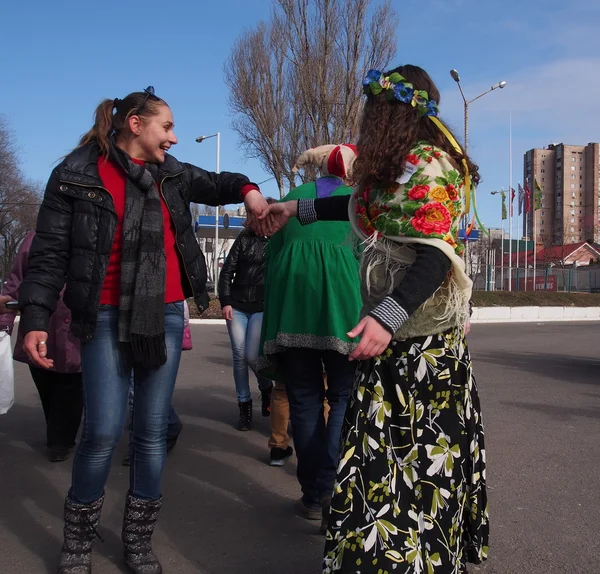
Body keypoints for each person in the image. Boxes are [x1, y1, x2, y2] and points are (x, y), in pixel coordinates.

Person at [17, 87, 269, 574]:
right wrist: (35, 318)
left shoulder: (170, 175)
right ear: (135, 124)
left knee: (152, 433)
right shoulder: (75, 174)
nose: (174, 138)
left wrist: (250, 191)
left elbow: (221, 182)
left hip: (167, 315)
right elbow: (48, 254)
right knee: (103, 431)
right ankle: (77, 544)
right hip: (105, 315)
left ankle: (137, 543)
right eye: (167, 127)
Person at [262, 65, 488, 573]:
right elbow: (360, 205)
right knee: (381, 465)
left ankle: (418, 560)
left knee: (416, 465)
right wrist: (295, 211)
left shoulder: (431, 164)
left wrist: (386, 316)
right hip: (395, 346)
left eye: (373, 109)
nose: (367, 118)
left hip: (424, 349)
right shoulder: (396, 166)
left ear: (391, 112)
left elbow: (433, 253)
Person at [258, 144, 362, 530]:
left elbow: (272, 256)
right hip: (343, 309)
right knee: (341, 399)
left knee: (303, 401)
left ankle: (311, 496)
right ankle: (332, 488)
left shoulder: (293, 198)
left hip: (293, 306)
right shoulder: (357, 200)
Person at [0, 231, 83, 462]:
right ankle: (57, 431)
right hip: (38, 324)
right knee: (45, 383)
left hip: (76, 330)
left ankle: (61, 441)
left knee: (71, 386)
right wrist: (3, 325)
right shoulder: (34, 238)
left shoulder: (92, 236)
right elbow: (16, 282)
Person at [219, 216, 274, 431]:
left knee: (252, 355)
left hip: (261, 307)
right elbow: (227, 271)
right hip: (237, 305)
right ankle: (244, 406)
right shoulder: (243, 238)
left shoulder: (276, 241)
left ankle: (266, 386)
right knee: (239, 356)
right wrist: (225, 301)